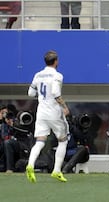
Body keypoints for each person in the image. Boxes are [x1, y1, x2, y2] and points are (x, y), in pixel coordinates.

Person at [26, 50, 70, 183]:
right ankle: (57, 170)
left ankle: (30, 164)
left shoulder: (38, 75)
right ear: (56, 61)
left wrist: (41, 96)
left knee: (40, 140)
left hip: (41, 112)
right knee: (63, 140)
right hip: (54, 112)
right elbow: (56, 93)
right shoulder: (57, 76)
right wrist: (64, 107)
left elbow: (30, 93)